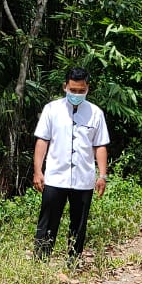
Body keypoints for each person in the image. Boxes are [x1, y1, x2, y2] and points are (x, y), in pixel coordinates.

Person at [32, 67, 111, 263]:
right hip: (55, 177)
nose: (77, 94)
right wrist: (37, 171)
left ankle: (73, 261)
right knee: (48, 220)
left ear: (87, 89)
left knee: (79, 222)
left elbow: (100, 145)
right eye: (73, 90)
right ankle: (41, 260)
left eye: (81, 91)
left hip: (83, 179)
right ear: (65, 87)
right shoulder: (52, 109)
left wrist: (102, 175)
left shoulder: (95, 113)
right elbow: (42, 141)